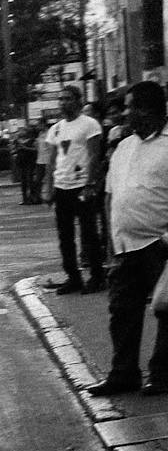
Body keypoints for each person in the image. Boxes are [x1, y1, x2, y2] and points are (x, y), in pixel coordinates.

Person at [85, 81, 168, 397]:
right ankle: (124, 373)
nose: (124, 113)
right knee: (122, 312)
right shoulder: (123, 146)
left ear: (149, 109)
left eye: (130, 106)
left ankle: (161, 374)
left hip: (159, 245)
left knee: (166, 310)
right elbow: (111, 195)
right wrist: (110, 241)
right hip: (124, 246)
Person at [40, 84, 107, 295]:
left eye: (67, 98)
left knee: (89, 233)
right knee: (65, 235)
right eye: (60, 99)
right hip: (62, 186)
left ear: (78, 101)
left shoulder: (89, 125)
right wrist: (48, 187)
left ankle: (97, 277)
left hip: (82, 186)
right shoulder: (56, 129)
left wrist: (90, 183)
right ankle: (73, 277)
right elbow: (51, 161)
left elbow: (95, 156)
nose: (63, 102)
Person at [13, 126, 42, 205]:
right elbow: (14, 150)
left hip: (30, 162)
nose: (20, 132)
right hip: (21, 162)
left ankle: (33, 197)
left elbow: (36, 150)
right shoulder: (17, 141)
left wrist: (25, 148)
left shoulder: (32, 140)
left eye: (22, 131)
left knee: (30, 180)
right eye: (19, 131)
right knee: (23, 181)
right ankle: (25, 198)